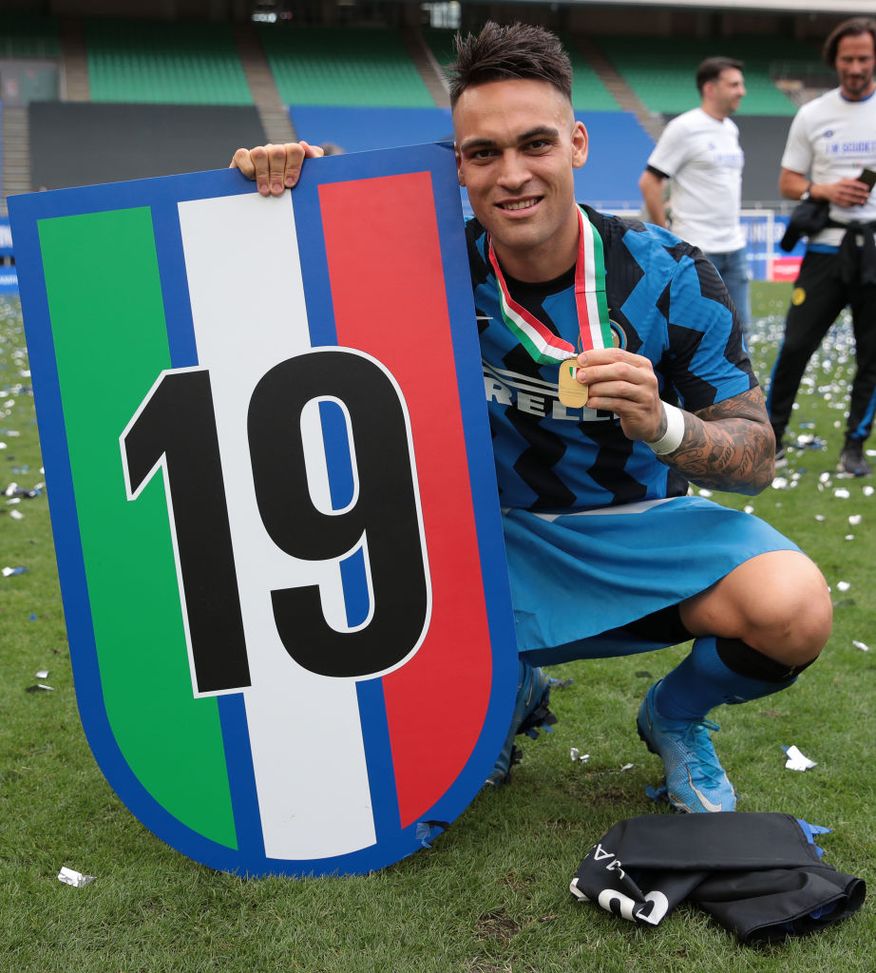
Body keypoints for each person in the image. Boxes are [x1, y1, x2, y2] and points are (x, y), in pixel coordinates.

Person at [230, 22, 832, 814]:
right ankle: (503, 687)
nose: (511, 174)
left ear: (577, 144)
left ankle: (675, 716)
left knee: (795, 606)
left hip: (640, 532)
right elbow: (272, 291)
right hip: (483, 538)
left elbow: (755, 459)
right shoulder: (427, 263)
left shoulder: (672, 272)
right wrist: (281, 186)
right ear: (459, 164)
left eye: (535, 144)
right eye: (483, 153)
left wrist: (663, 425)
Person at [767, 17, 876, 477]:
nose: (855, 67)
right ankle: (771, 437)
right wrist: (827, 190)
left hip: (872, 250)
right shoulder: (812, 114)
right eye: (847, 59)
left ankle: (854, 446)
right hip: (826, 249)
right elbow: (788, 183)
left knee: (871, 356)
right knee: (795, 345)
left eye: (864, 58)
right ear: (834, 61)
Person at [639, 57, 750, 329]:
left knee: (740, 329)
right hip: (698, 248)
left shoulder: (730, 129)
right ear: (711, 89)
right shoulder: (685, 127)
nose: (742, 91)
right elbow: (649, 182)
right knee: (697, 331)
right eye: (734, 85)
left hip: (734, 247)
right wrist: (666, 235)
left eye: (742, 84)